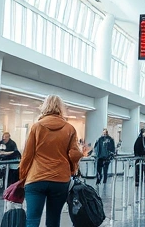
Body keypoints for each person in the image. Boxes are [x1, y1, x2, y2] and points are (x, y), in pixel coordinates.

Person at [19, 95, 87, 227]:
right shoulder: (69, 128)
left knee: (32, 219)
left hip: (36, 178)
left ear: (45, 106)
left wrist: (23, 176)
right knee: (54, 219)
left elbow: (27, 155)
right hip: (60, 179)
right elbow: (74, 154)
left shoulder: (36, 127)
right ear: (61, 108)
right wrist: (73, 167)